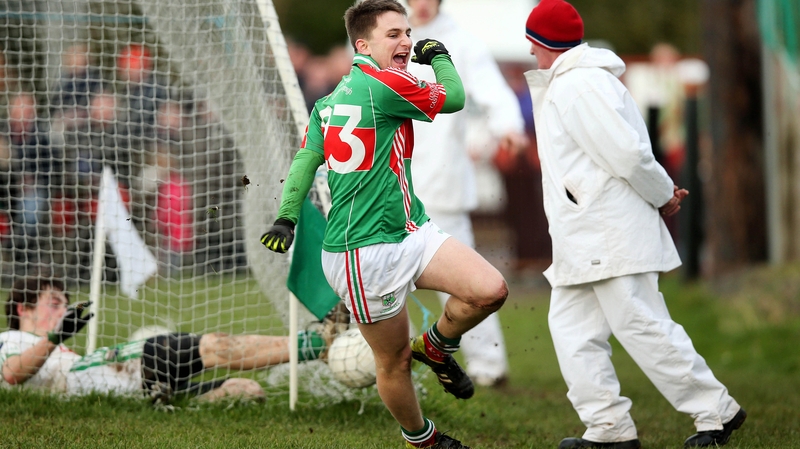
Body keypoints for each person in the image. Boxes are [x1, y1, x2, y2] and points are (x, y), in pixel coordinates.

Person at [261, 1, 508, 447]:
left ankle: (435, 345)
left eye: (408, 33)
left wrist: (286, 217)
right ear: (363, 44)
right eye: (393, 34)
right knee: (393, 361)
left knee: (490, 290)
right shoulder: (385, 84)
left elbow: (303, 164)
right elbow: (454, 97)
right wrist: (440, 58)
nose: (407, 42)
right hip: (362, 252)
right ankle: (423, 438)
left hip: (410, 230)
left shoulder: (330, 101)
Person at [522, 1, 746, 448]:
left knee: (641, 324)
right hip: (585, 234)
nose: (529, 52)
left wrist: (662, 195)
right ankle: (609, 429)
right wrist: (660, 194)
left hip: (606, 231)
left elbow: (627, 154)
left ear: (542, 42)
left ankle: (716, 412)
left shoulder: (579, 86)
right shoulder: (574, 82)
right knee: (573, 332)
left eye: (531, 42)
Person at [405, 0, 527, 388]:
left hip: (444, 181)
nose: (420, 4)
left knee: (467, 279)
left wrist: (508, 125)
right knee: (376, 278)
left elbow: (492, 90)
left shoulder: (463, 42)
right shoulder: (391, 35)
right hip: (391, 180)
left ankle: (489, 366)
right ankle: (383, 363)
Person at [1, 276, 343, 403]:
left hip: (128, 372)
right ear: (23, 309)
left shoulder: (58, 349)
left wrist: (57, 340)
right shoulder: (11, 339)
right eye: (54, 302)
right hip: (135, 382)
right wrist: (53, 338)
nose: (63, 309)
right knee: (231, 370)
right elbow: (13, 374)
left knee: (234, 370)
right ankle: (318, 343)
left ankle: (316, 343)